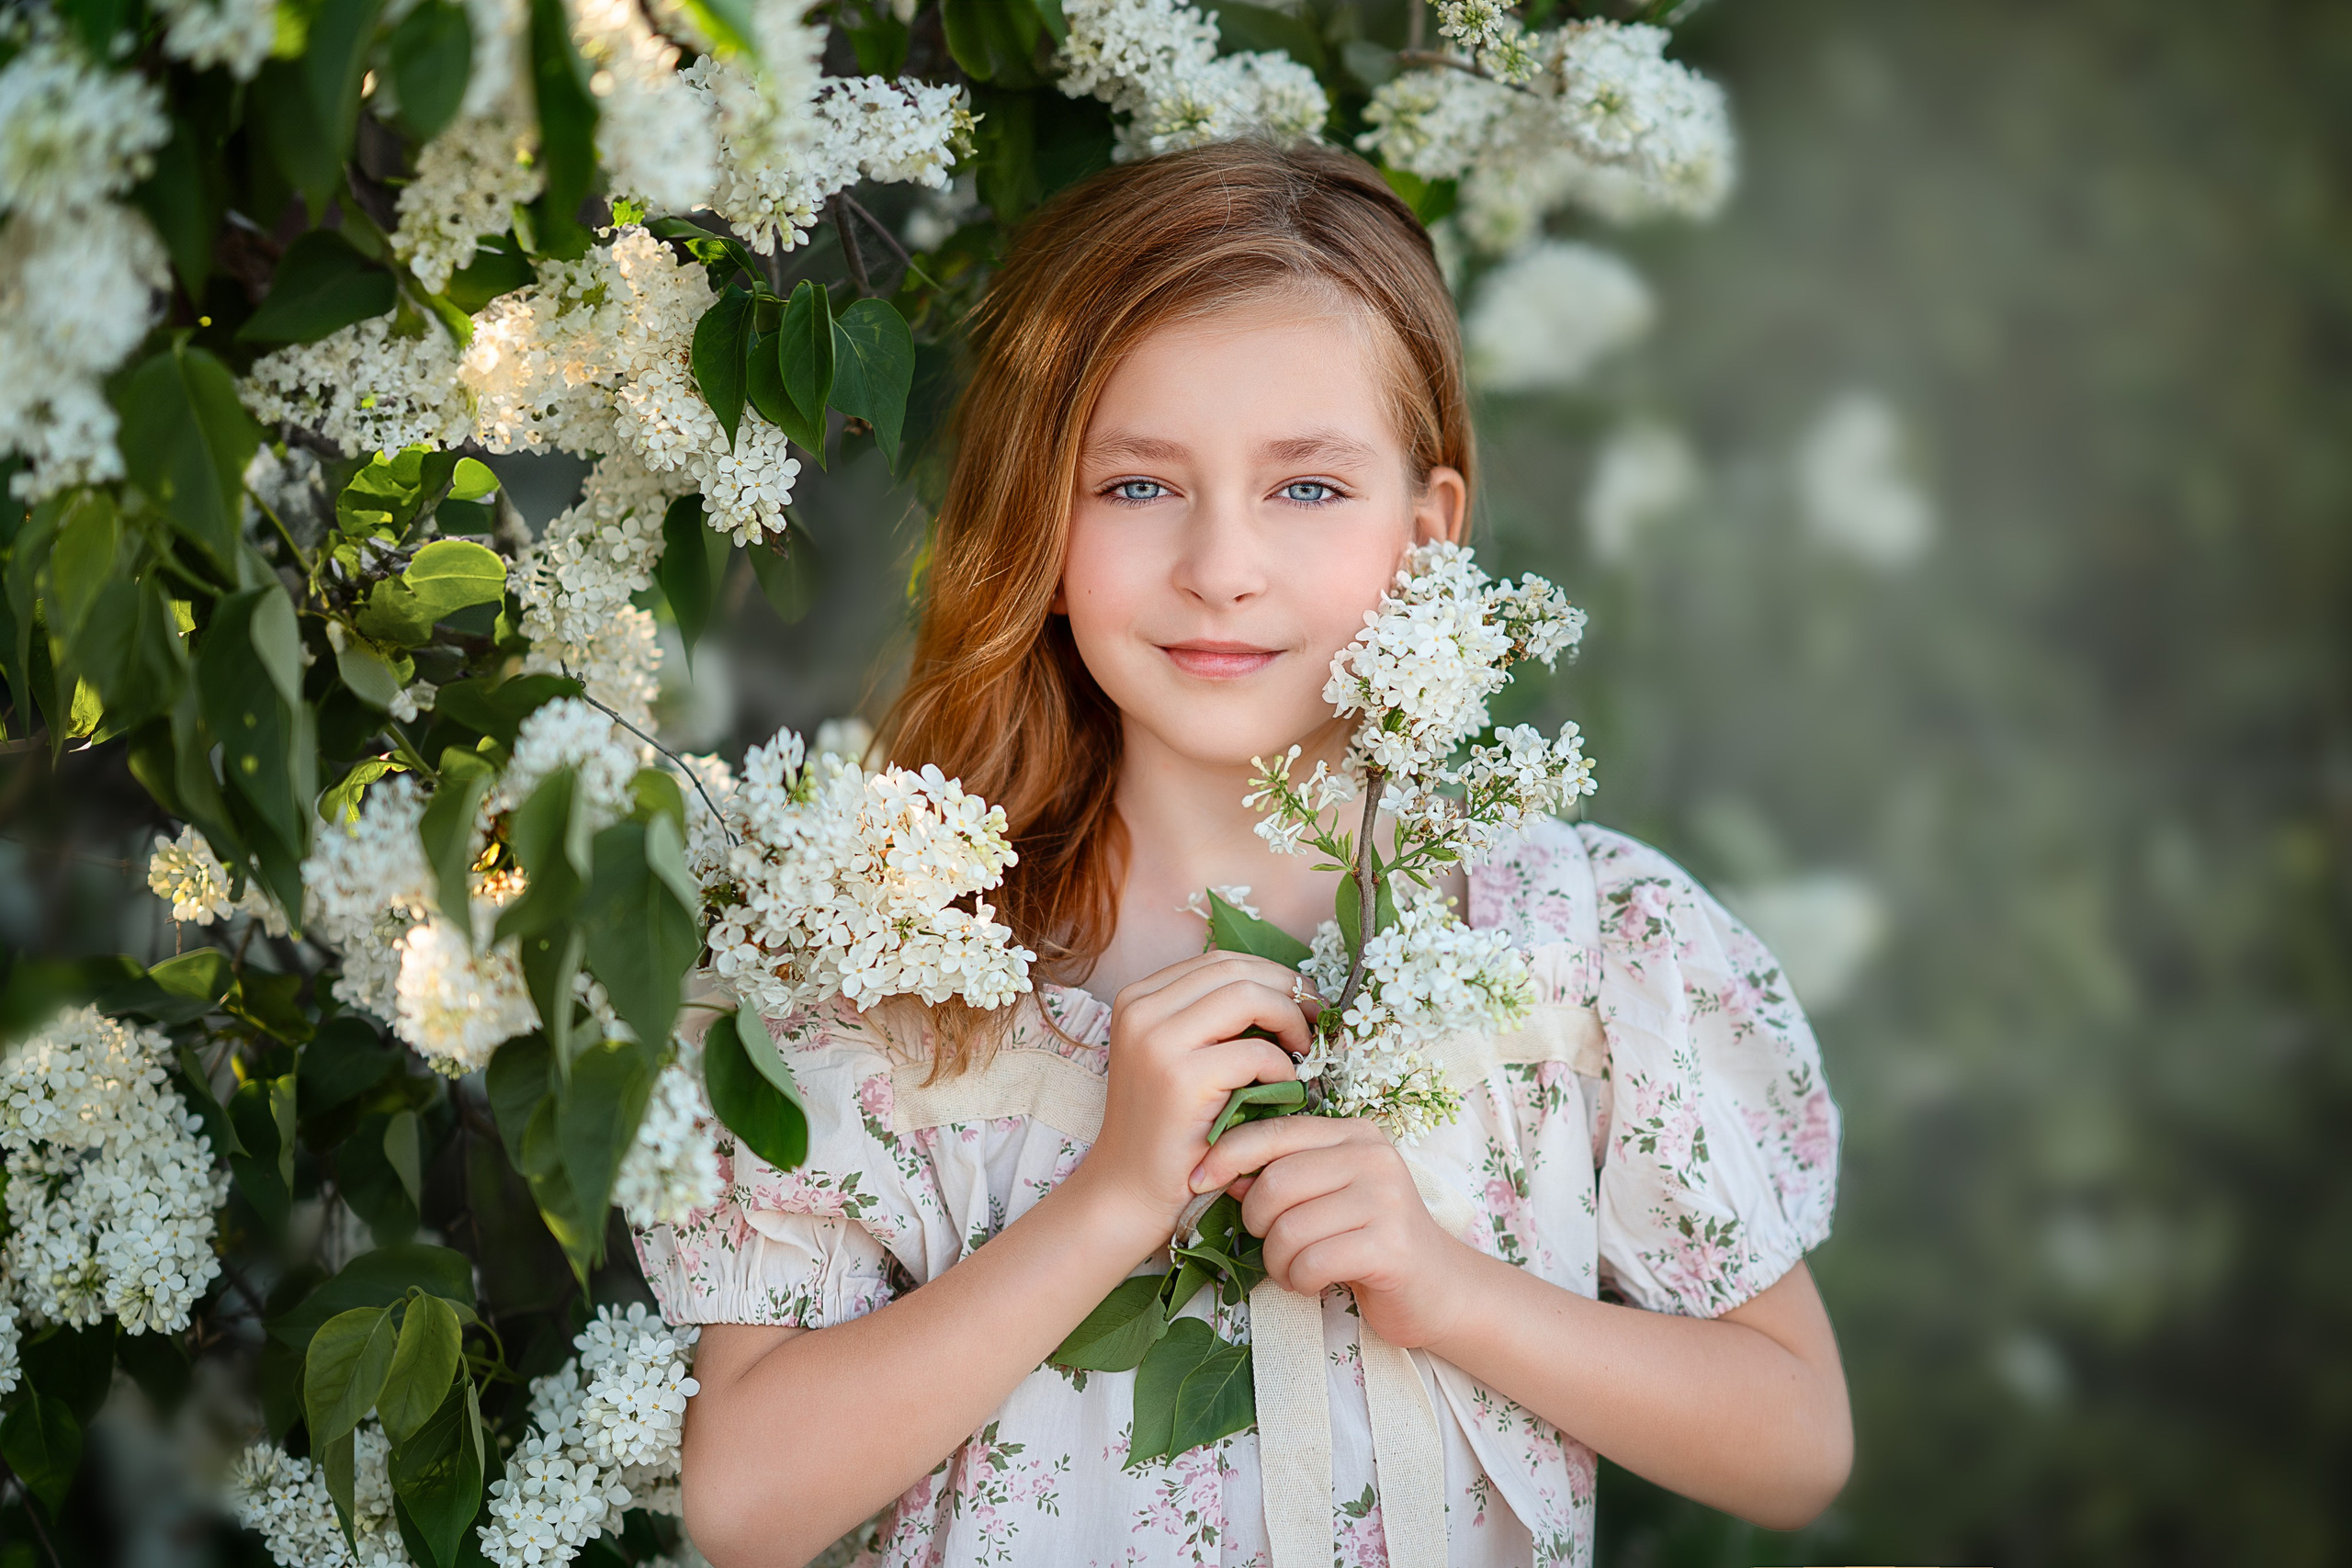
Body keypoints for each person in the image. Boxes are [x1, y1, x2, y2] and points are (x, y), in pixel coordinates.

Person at [635, 139, 1852, 1568]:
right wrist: (1106, 1202)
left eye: (1310, 489)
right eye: (1139, 487)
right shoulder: (890, 961)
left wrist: (1443, 1286)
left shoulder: (1586, 948)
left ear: (1427, 530)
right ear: (1044, 516)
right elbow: (746, 1503)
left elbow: (1793, 1441)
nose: (1222, 565)